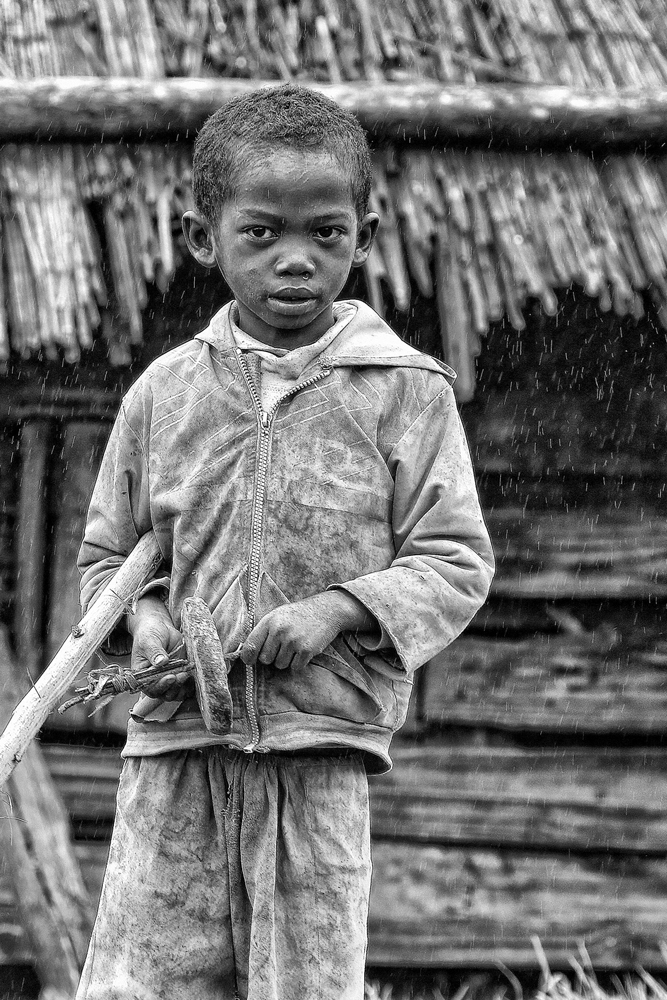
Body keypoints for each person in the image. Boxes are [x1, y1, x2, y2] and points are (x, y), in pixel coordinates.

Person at [75, 84, 495, 1000]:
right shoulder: (164, 395)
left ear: (364, 236)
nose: (295, 258)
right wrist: (144, 624)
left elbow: (455, 561)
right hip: (175, 749)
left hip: (320, 751)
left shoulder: (404, 392)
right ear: (204, 238)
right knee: (141, 982)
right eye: (261, 233)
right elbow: (107, 559)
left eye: (325, 233)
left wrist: (339, 609)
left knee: (301, 984)